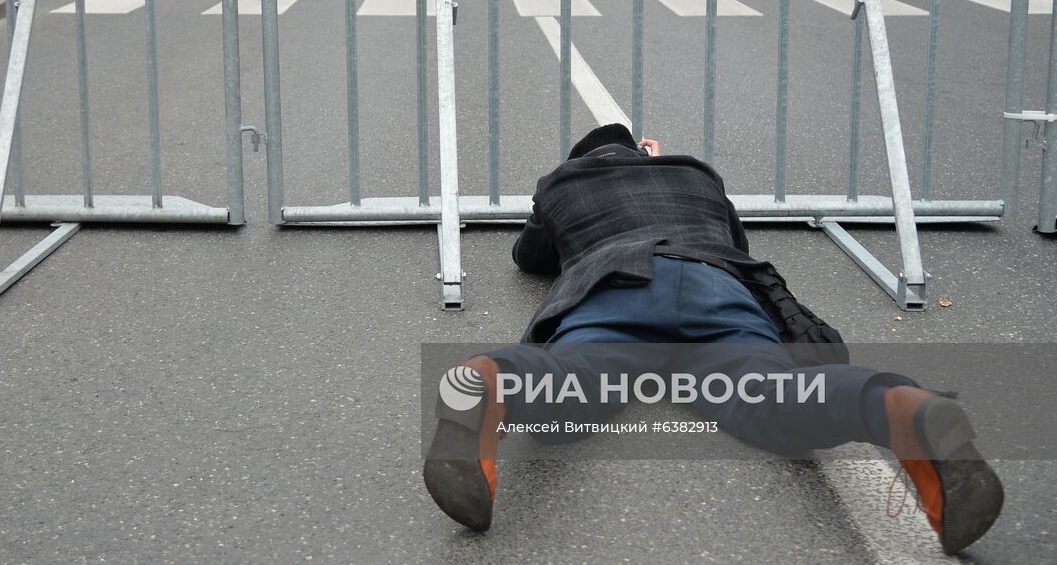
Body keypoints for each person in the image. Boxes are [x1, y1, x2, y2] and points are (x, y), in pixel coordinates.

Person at [422, 123, 1006, 555]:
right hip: (713, 284)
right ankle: (897, 407)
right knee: (772, 395)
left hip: (612, 284)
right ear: (642, 148)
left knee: (574, 386)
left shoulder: (563, 183)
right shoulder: (694, 171)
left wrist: (553, 202)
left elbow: (531, 259)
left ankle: (491, 381)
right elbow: (736, 241)